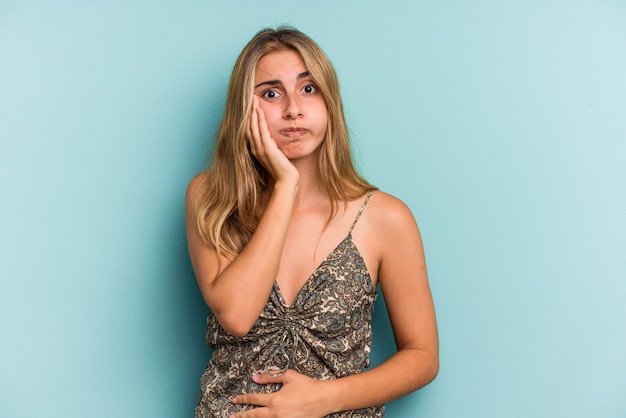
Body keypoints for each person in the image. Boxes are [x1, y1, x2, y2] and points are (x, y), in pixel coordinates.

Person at [185, 27, 438, 418]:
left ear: (329, 100)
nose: (293, 109)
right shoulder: (212, 198)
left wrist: (324, 398)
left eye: (308, 89)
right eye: (270, 93)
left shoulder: (385, 217)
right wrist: (287, 185)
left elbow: (422, 357)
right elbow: (236, 316)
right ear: (244, 110)